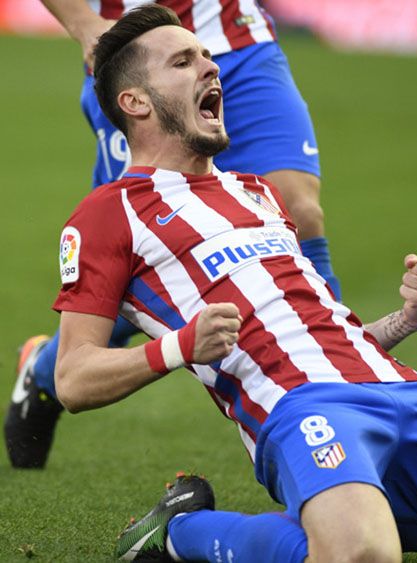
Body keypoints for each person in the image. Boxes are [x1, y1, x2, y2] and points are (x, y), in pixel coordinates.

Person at [51, 7, 417, 562]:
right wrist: (178, 347)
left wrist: (401, 321)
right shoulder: (107, 215)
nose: (211, 68)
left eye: (208, 56)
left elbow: (311, 337)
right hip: (306, 411)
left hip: (409, 393)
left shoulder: (258, 193)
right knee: (361, 554)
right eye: (184, 61)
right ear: (135, 102)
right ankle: (180, 533)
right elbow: (72, 377)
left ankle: (380, 519)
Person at [6, 0, 343, 469]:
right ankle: (45, 373)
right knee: (137, 265)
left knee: (299, 208)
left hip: (240, 42)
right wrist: (84, 26)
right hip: (137, 53)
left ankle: (341, 367)